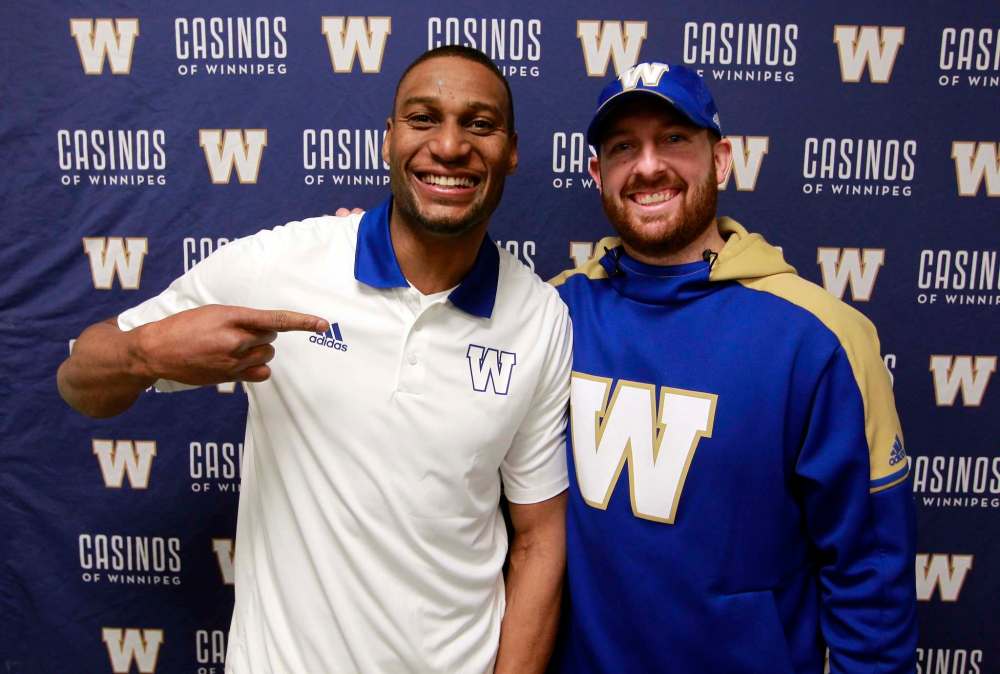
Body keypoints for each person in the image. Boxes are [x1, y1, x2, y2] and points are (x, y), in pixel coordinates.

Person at [57, 46, 571, 674]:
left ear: (511, 151)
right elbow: (79, 380)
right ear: (388, 139)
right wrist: (144, 352)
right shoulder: (280, 265)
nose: (450, 145)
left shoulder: (540, 317)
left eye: (479, 125)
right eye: (422, 118)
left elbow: (541, 539)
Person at [549, 63, 917, 673]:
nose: (647, 165)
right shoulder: (554, 314)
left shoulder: (822, 338)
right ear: (598, 174)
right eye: (623, 147)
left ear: (720, 159)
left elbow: (870, 580)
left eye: (673, 139)